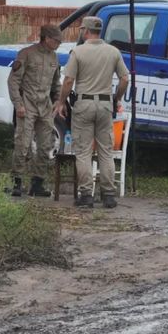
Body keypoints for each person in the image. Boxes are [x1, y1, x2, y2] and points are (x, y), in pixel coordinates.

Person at [54, 17, 129, 209]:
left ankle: (86, 194)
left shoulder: (78, 52)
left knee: (84, 152)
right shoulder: (113, 52)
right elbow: (125, 79)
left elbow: (69, 80)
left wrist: (61, 102)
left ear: (85, 30)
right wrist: (116, 98)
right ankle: (109, 195)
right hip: (105, 105)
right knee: (106, 151)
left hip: (83, 104)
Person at [7, 24, 63, 198]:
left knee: (46, 145)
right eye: (56, 40)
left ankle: (37, 183)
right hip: (27, 104)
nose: (59, 44)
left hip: (44, 106)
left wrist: (58, 101)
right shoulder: (26, 54)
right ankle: (17, 181)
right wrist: (18, 104)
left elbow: (56, 83)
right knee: (22, 144)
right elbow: (13, 82)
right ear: (46, 38)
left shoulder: (54, 57)